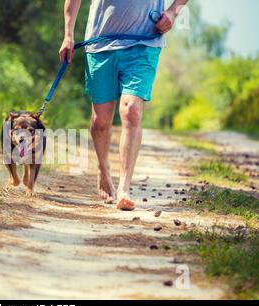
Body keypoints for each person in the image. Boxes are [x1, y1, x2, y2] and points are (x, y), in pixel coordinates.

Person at [59, 0, 189, 210]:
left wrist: (173, 12)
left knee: (131, 111)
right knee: (101, 121)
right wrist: (68, 35)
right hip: (100, 45)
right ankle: (103, 169)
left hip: (144, 43)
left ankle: (124, 188)